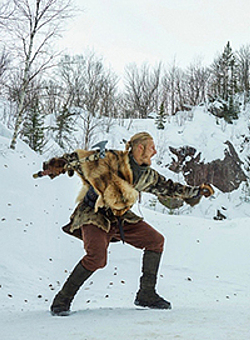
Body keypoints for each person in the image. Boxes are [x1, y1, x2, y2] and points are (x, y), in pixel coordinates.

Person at [40, 132, 214, 316]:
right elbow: (79, 158)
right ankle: (62, 300)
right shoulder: (112, 159)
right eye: (151, 148)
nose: (154, 152)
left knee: (155, 241)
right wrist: (58, 165)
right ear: (140, 148)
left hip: (120, 216)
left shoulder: (147, 175)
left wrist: (196, 192)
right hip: (94, 214)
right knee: (97, 258)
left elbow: (169, 187)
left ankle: (146, 294)